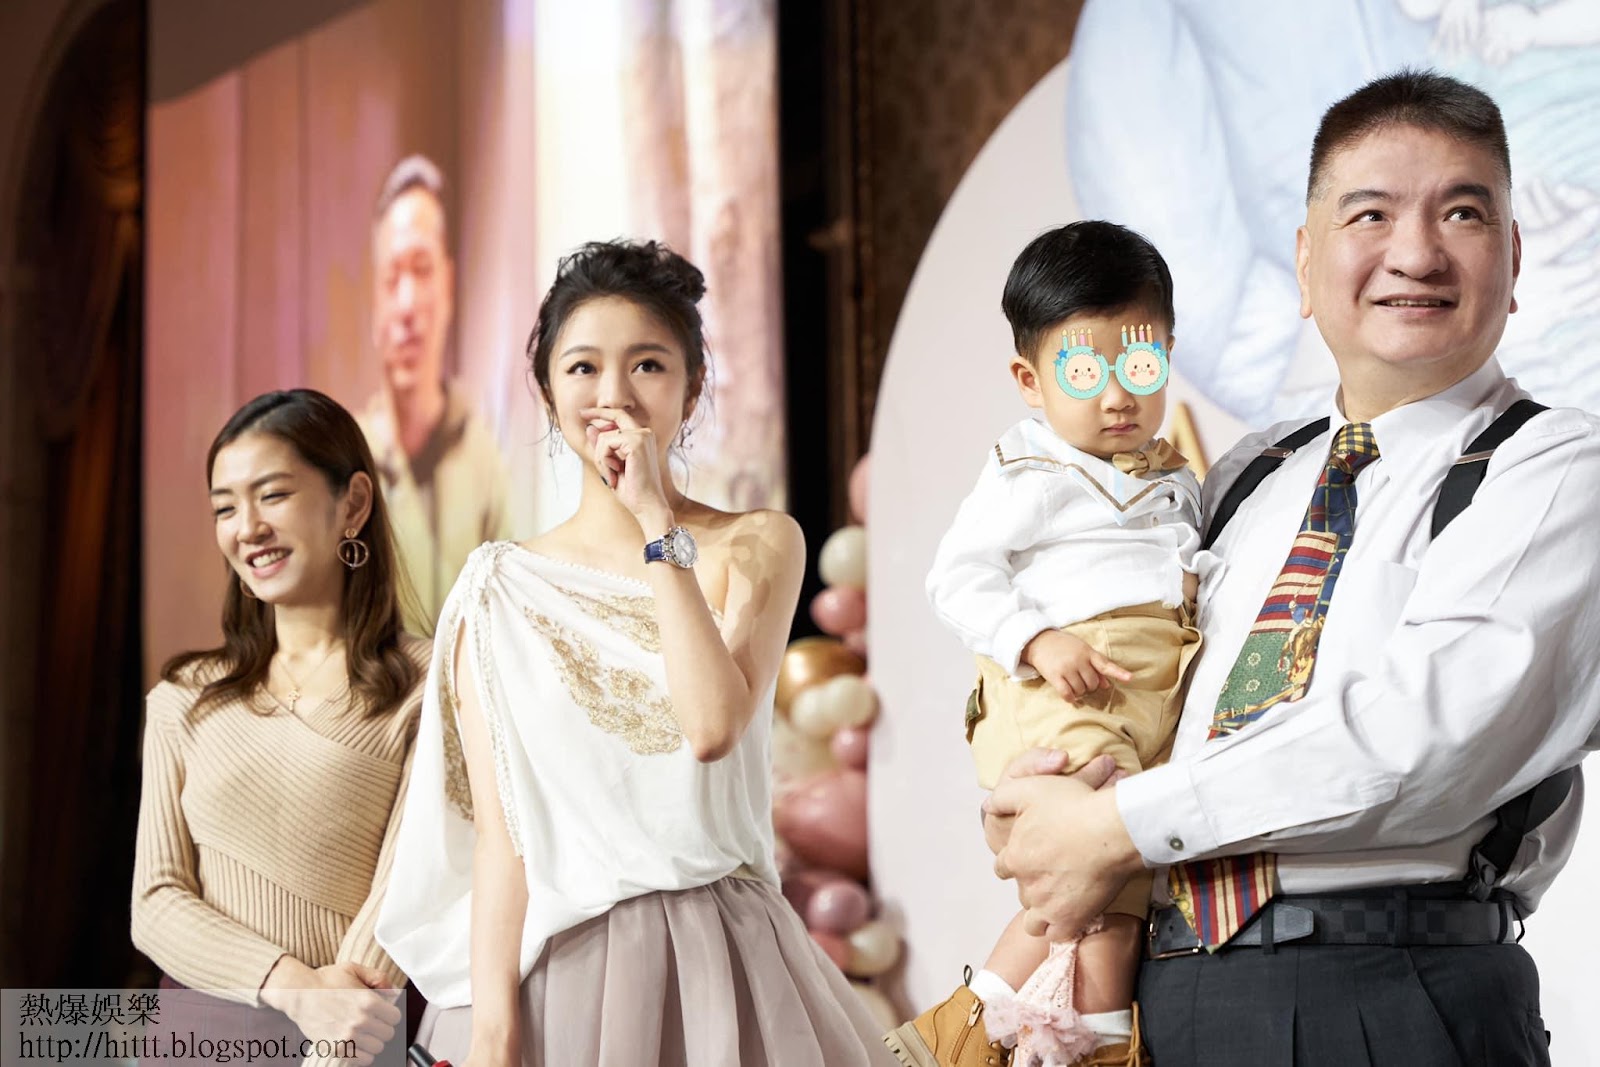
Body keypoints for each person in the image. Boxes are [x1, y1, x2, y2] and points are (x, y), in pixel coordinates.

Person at [983, 70, 1600, 1066]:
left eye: (1462, 211)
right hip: (1172, 990)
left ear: (1514, 257)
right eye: (1371, 213)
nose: (1415, 252)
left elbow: (1419, 741)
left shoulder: (1557, 467)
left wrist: (1113, 826)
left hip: (1392, 988)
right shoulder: (1246, 475)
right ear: (1307, 265)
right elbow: (1146, 679)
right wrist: (1051, 780)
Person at [374, 239, 895, 1065]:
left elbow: (712, 726)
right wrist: (493, 1031)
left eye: (647, 364)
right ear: (548, 390)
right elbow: (503, 838)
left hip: (723, 961)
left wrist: (658, 523)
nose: (612, 394)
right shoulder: (498, 588)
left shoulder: (756, 542)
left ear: (692, 386)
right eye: (582, 367)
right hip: (563, 980)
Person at [892, 222, 1200, 1067]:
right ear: (1030, 380)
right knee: (1108, 883)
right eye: (1084, 373)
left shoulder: (1172, 472)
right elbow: (955, 577)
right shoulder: (1027, 472)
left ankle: (964, 1025)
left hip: (1138, 695)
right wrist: (1034, 637)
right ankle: (1095, 1047)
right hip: (1064, 693)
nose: (1117, 396)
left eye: (1140, 365)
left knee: (1111, 877)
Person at [132, 389, 430, 1063]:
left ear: (353, 503)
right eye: (225, 508)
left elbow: (407, 892)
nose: (247, 528)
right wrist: (294, 987)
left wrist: (334, 1043)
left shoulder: (429, 683)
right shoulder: (184, 696)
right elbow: (155, 900)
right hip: (195, 1038)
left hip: (355, 1038)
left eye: (272, 495)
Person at [360, 155, 514, 631]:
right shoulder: (347, 460)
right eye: (391, 278)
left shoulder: (488, 459)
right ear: (375, 301)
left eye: (422, 270)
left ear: (447, 285)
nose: (407, 304)